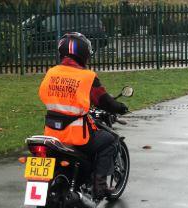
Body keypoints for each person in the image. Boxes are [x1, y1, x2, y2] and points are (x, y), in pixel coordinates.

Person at [38, 32, 128, 199]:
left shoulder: (51, 72)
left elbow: (43, 95)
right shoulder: (87, 76)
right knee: (110, 140)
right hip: (77, 135)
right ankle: (99, 184)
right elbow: (104, 101)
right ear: (84, 54)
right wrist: (120, 107)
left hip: (52, 133)